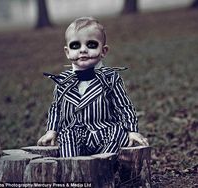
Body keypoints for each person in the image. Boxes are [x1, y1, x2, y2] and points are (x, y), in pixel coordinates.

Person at [37, 17, 148, 157]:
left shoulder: (110, 77)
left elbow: (124, 106)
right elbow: (56, 108)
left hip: (103, 131)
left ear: (103, 51)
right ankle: (73, 171)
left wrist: (132, 130)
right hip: (75, 133)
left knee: (117, 131)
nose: (83, 50)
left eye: (91, 45)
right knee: (67, 135)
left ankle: (102, 168)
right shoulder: (63, 81)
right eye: (75, 46)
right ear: (67, 52)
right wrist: (51, 131)